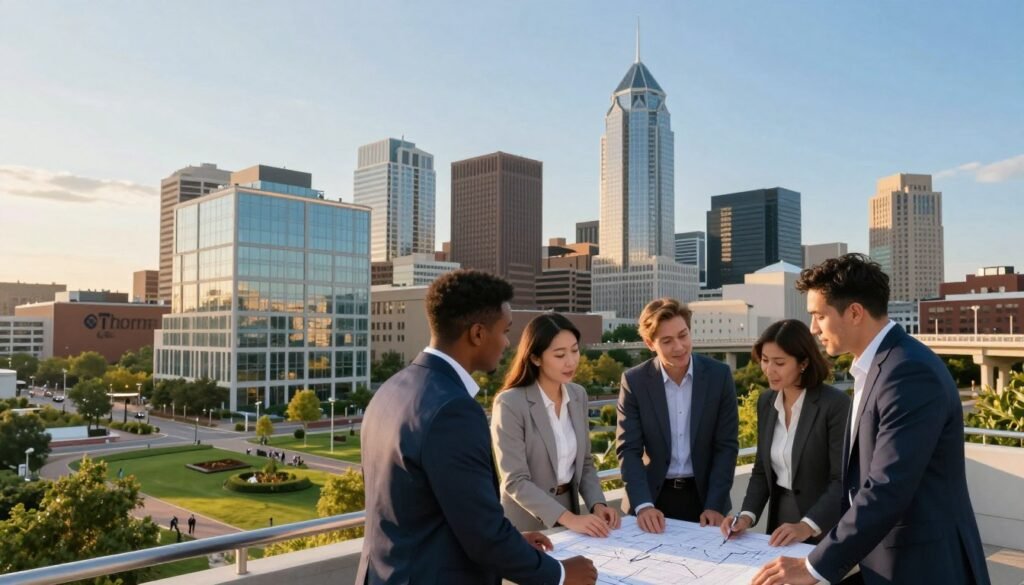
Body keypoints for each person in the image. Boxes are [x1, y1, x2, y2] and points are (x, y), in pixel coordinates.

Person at [752, 254, 990, 585]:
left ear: (854, 313)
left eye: (819, 315)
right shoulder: (878, 366)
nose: (813, 328)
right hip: (881, 560)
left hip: (922, 566)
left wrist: (811, 567)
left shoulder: (908, 371)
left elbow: (886, 487)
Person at [356, 270, 597, 585]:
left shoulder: (392, 388)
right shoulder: (453, 410)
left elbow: (443, 511)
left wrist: (516, 542)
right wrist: (562, 574)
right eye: (505, 330)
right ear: (478, 334)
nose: (508, 342)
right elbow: (483, 532)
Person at [720, 320, 850, 546]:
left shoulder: (835, 404)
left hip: (826, 526)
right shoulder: (766, 401)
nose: (769, 370)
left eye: (779, 362)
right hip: (780, 524)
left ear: (803, 363)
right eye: (765, 360)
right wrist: (746, 516)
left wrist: (806, 526)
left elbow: (841, 480)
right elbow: (762, 470)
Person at [491, 312, 621, 537]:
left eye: (574, 350)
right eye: (560, 354)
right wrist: (570, 519)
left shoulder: (578, 395)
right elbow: (515, 481)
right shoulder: (510, 403)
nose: (571, 361)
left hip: (572, 521)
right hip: (525, 524)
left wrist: (597, 504)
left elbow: (586, 463)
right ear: (535, 358)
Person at [616, 298, 739, 533]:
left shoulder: (719, 376)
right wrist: (642, 505)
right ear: (649, 343)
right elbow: (628, 449)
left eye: (683, 335)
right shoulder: (634, 381)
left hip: (706, 501)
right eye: (667, 341)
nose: (679, 347)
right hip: (652, 500)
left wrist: (715, 504)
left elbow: (726, 446)